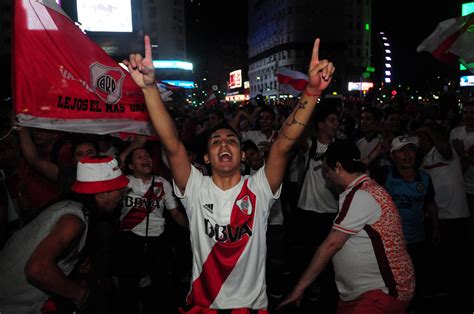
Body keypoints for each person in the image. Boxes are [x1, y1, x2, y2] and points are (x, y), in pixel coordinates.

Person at [124, 35, 334, 312]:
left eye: (231, 140)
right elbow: (172, 144)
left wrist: (311, 92)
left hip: (250, 307)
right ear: (206, 158)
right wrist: (149, 88)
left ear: (243, 155)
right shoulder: (196, 188)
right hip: (203, 306)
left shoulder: (259, 187)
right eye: (216, 142)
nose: (224, 143)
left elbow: (283, 144)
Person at [279, 140, 415, 314]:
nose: (326, 176)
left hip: (381, 293)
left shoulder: (361, 195)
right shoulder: (363, 188)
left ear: (338, 167)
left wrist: (299, 288)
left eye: (326, 170)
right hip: (363, 293)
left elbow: (331, 245)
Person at [0, 156, 129, 313]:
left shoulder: (69, 206)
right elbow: (37, 268)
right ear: (101, 194)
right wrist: (82, 295)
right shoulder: (73, 220)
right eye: (119, 189)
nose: (123, 193)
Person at [114, 147, 188, 313]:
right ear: (131, 166)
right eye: (139, 157)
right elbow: (108, 173)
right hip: (129, 240)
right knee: (128, 291)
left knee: (163, 289)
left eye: (148, 156)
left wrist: (193, 228)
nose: (146, 159)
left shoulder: (163, 183)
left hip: (157, 240)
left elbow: (175, 213)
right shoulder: (124, 182)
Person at [373, 135, 439, 306]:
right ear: (393, 156)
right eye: (402, 151)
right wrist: (375, 154)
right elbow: (357, 174)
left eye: (411, 150)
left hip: (417, 239)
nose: (407, 155)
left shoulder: (424, 178)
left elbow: (430, 204)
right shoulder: (384, 175)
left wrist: (436, 227)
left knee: (415, 284)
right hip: (390, 243)